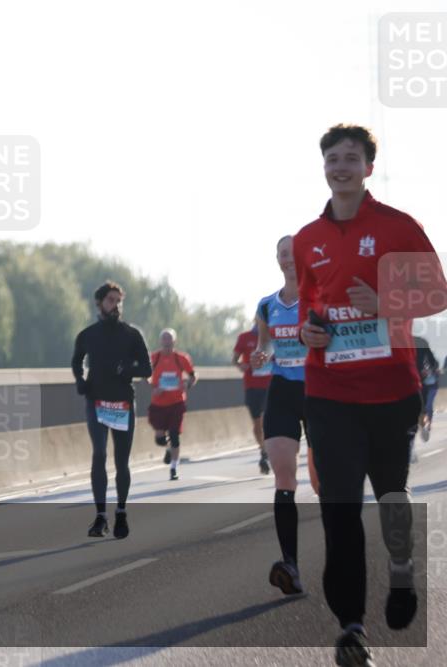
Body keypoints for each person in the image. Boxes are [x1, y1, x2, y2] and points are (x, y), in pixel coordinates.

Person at [294, 124, 446, 666]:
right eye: (332, 158)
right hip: (329, 390)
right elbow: (311, 306)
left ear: (368, 168)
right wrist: (310, 331)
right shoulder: (308, 237)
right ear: (324, 166)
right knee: (339, 509)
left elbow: (438, 293)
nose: (341, 166)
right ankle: (351, 629)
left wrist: (383, 302)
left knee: (390, 496)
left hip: (390, 390)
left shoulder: (398, 227)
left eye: (351, 158)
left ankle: (401, 567)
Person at [252, 234, 318, 598]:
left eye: (292, 254)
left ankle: (342, 552)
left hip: (319, 389)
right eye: (282, 254)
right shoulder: (266, 305)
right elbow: (265, 344)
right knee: (283, 475)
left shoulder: (317, 298)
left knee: (325, 483)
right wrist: (262, 355)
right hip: (282, 389)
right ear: (276, 259)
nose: (287, 259)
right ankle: (289, 564)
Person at [72, 281, 153, 539]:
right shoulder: (87, 334)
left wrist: (127, 370)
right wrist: (81, 381)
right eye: (110, 300)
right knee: (98, 454)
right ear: (99, 303)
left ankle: (120, 512)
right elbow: (76, 360)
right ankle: (100, 516)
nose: (115, 305)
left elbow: (147, 369)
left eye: (119, 301)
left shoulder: (131, 334)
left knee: (121, 461)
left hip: (122, 404)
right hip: (96, 402)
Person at [148, 329, 197, 481]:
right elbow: (145, 376)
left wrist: (187, 384)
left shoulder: (181, 358)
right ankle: (168, 448)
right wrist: (154, 388)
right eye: (164, 339)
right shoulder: (154, 358)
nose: (167, 342)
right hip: (158, 403)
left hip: (177, 402)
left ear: (174, 341)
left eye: (169, 339)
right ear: (160, 341)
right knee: (159, 439)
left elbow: (193, 376)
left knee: (175, 435)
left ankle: (174, 468)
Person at [232, 323, 272, 474]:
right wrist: (240, 365)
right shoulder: (244, 338)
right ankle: (263, 451)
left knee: (266, 418)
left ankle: (269, 450)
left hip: (271, 385)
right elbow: (234, 359)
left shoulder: (274, 335)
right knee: (257, 423)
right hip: (252, 386)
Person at [413, 335, 439, 443]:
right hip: (420, 383)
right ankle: (424, 424)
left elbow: (433, 362)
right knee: (422, 407)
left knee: (427, 405)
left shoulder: (421, 345)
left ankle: (427, 425)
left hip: (430, 383)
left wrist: (432, 370)